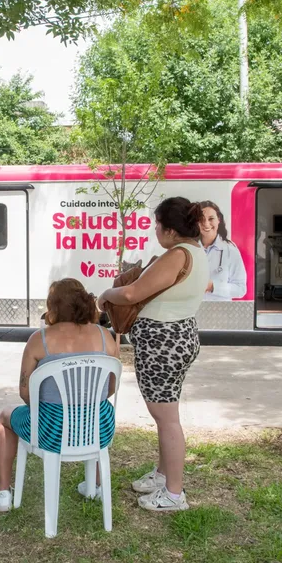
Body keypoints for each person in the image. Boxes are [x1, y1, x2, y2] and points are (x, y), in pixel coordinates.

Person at [97, 197, 209, 512]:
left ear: (171, 230)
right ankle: (163, 475)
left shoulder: (176, 255)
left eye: (158, 223)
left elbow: (133, 293)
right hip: (177, 338)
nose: (155, 229)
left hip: (163, 343)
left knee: (166, 418)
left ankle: (174, 494)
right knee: (165, 416)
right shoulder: (196, 253)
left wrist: (105, 295)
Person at [0, 279, 118, 513]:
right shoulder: (105, 337)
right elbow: (110, 388)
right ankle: (97, 486)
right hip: (99, 427)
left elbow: (25, 392)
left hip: (50, 430)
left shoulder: (39, 339)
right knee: (100, 409)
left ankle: (3, 493)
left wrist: (48, 407)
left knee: (4, 419)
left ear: (53, 306)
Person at [199, 201, 247, 302]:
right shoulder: (190, 249)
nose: (206, 224)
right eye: (201, 219)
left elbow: (241, 289)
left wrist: (213, 286)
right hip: (192, 311)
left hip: (221, 312)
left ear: (218, 220)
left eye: (211, 219)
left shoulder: (231, 251)